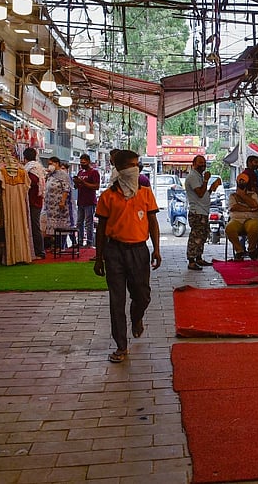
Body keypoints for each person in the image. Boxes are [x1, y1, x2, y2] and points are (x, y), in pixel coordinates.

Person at [92, 149, 161, 364]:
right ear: (120, 169)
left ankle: (137, 317)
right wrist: (98, 257)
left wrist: (156, 249)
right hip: (114, 252)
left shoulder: (145, 193)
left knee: (143, 295)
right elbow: (101, 229)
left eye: (137, 164)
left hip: (139, 250)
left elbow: (153, 222)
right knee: (116, 300)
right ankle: (121, 345)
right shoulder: (108, 196)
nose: (136, 169)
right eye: (131, 165)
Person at [185, 155, 221, 270]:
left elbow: (204, 194)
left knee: (203, 236)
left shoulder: (199, 176)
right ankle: (191, 261)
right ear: (194, 164)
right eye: (200, 162)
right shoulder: (192, 177)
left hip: (204, 211)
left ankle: (198, 258)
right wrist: (206, 180)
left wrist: (212, 187)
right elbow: (200, 193)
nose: (203, 165)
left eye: (204, 162)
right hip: (197, 212)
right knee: (196, 236)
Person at [226, 172, 258, 260]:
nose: (241, 182)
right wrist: (250, 209)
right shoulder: (232, 195)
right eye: (240, 181)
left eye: (244, 181)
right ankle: (239, 251)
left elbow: (254, 204)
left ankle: (252, 250)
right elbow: (234, 207)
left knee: (254, 227)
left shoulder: (253, 194)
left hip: (251, 218)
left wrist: (243, 196)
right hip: (236, 219)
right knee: (229, 228)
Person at [22, 147, 46, 258]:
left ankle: (39, 251)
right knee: (34, 225)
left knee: (34, 226)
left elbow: (32, 183)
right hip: (37, 200)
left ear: (25, 158)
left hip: (33, 201)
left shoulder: (31, 169)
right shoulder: (38, 167)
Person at [44, 156, 72, 246]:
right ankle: (54, 245)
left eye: (51, 164)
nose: (49, 166)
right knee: (52, 227)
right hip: (50, 206)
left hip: (59, 205)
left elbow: (66, 189)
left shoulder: (63, 175)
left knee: (60, 226)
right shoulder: (50, 174)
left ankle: (60, 246)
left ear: (56, 164)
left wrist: (62, 201)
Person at [73, 153, 100, 248]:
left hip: (90, 201)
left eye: (84, 162)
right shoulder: (80, 172)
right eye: (81, 162)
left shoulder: (94, 172)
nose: (82, 164)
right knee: (79, 222)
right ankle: (80, 241)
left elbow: (96, 186)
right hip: (81, 201)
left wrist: (83, 182)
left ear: (88, 162)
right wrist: (76, 183)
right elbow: (77, 186)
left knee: (89, 222)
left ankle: (89, 242)